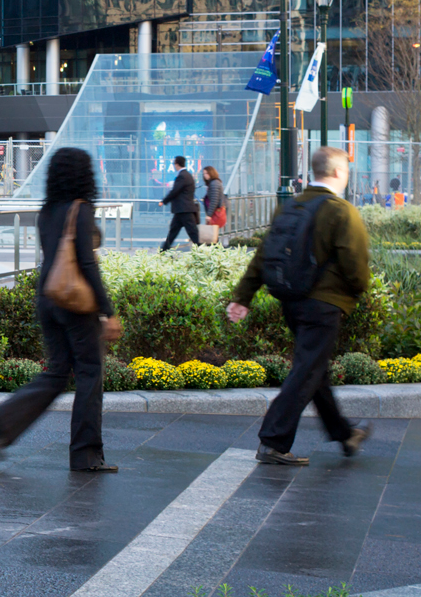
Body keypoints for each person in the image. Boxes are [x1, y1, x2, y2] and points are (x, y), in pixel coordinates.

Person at [227, 144, 373, 466]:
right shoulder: (341, 211)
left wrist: (243, 297)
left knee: (313, 369)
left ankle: (345, 435)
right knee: (307, 371)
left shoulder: (290, 206)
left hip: (291, 300)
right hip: (324, 305)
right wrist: (359, 291)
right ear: (338, 172)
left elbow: (264, 254)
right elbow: (356, 265)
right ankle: (273, 441)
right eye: (346, 171)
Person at [0, 146, 119, 473]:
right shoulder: (80, 209)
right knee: (89, 372)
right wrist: (107, 311)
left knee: (57, 372)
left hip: (47, 298)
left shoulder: (47, 209)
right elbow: (86, 263)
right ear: (84, 175)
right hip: (75, 302)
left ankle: (2, 422)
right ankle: (86, 455)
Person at [158, 155, 200, 251]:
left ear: (177, 164)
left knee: (192, 233)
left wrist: (164, 201)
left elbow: (175, 191)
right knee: (174, 231)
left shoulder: (182, 176)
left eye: (174, 164)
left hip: (184, 209)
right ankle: (164, 250)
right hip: (183, 209)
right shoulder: (188, 175)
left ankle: (203, 251)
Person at [200, 164, 226, 242]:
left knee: (213, 233)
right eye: (204, 173)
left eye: (207, 173)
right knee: (213, 233)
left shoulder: (214, 183)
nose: (205, 175)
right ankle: (215, 249)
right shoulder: (214, 183)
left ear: (211, 173)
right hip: (214, 211)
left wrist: (209, 215)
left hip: (215, 212)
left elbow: (214, 200)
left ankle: (215, 250)